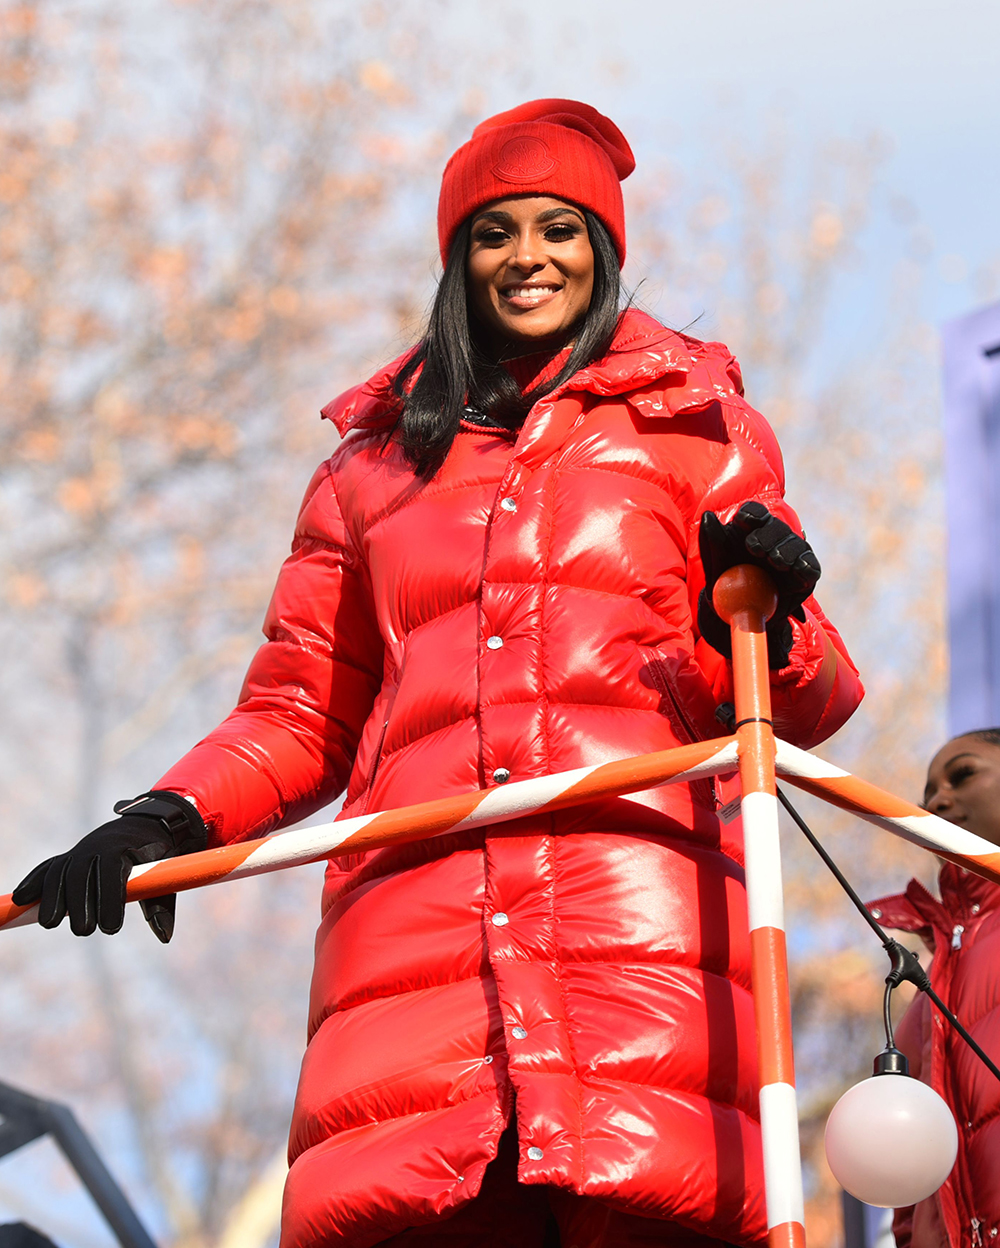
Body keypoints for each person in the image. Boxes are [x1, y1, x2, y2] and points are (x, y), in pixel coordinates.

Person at [14, 100, 864, 1247]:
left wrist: (764, 614)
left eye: (559, 230)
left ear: (603, 249)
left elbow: (803, 705)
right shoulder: (368, 469)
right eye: (492, 232)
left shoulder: (695, 429)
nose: (527, 258)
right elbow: (302, 704)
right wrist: (167, 820)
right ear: (455, 258)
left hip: (635, 945)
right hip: (417, 963)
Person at [868, 730, 1000, 1248]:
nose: (937, 800)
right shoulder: (921, 1000)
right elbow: (907, 1186)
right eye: (928, 793)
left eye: (962, 774)